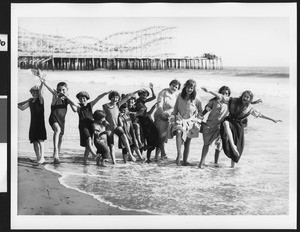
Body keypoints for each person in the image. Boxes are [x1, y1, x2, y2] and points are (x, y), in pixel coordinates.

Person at [201, 87, 281, 168]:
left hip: (238, 126)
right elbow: (221, 97)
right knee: (225, 123)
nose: (245, 98)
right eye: (244, 96)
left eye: (247, 97)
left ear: (250, 99)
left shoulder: (250, 108)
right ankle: (232, 145)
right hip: (230, 122)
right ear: (242, 96)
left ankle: (232, 167)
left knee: (237, 147)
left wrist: (272, 119)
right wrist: (209, 91)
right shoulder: (234, 100)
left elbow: (260, 115)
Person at [38, 72, 78, 164]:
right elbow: (49, 88)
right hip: (53, 118)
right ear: (57, 90)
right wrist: (43, 81)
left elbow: (75, 108)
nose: (61, 91)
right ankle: (55, 151)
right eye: (59, 90)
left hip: (62, 121)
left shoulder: (67, 99)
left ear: (67, 90)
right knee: (57, 130)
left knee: (60, 138)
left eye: (63, 90)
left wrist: (68, 97)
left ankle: (57, 157)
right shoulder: (55, 96)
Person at [102, 89, 141, 164]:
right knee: (111, 146)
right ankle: (114, 162)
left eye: (117, 97)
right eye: (113, 97)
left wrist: (136, 92)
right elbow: (103, 116)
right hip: (109, 128)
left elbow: (127, 97)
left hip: (116, 126)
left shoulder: (118, 105)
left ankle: (130, 154)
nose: (115, 99)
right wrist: (105, 122)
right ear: (110, 97)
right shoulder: (105, 106)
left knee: (124, 137)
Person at [171, 79, 203, 166]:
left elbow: (200, 112)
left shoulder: (197, 98)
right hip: (180, 120)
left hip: (191, 122)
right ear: (185, 87)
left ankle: (184, 161)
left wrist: (198, 121)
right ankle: (179, 154)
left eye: (191, 88)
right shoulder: (179, 96)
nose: (189, 89)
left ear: (194, 89)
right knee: (178, 132)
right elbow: (175, 110)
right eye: (188, 87)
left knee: (187, 142)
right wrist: (172, 118)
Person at [74, 90, 111, 165]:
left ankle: (84, 161)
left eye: (84, 98)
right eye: (80, 98)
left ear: (87, 98)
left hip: (91, 125)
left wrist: (105, 93)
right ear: (78, 99)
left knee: (89, 144)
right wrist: (66, 97)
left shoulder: (90, 105)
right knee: (88, 139)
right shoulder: (78, 107)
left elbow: (98, 98)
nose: (82, 100)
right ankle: (94, 154)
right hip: (83, 126)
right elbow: (71, 102)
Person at [198, 86, 231, 169]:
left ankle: (216, 163)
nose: (224, 95)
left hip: (220, 127)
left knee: (219, 145)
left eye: (226, 93)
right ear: (219, 93)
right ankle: (201, 163)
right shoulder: (213, 102)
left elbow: (240, 104)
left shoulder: (229, 104)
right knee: (206, 144)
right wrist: (199, 118)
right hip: (210, 126)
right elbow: (205, 111)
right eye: (222, 93)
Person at [18, 81, 47, 165]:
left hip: (40, 123)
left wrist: (42, 82)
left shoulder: (41, 100)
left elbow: (41, 91)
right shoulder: (30, 102)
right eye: (33, 92)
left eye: (36, 92)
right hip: (33, 124)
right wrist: (27, 100)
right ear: (31, 93)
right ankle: (38, 157)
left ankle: (42, 157)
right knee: (34, 141)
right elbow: (21, 107)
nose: (35, 94)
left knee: (40, 140)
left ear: (39, 93)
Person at [153, 79, 181, 161]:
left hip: (169, 117)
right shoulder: (163, 92)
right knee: (161, 137)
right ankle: (163, 154)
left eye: (176, 87)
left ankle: (158, 157)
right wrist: (162, 115)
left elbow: (176, 108)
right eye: (173, 86)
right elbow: (159, 105)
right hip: (160, 115)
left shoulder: (175, 95)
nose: (174, 88)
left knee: (164, 137)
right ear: (170, 85)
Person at [135, 83, 160, 163]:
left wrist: (152, 89)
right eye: (143, 95)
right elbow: (144, 114)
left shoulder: (142, 101)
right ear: (139, 95)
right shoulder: (138, 102)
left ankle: (145, 158)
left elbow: (154, 97)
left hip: (147, 121)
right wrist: (152, 109)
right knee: (148, 139)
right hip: (144, 123)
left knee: (151, 138)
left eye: (146, 96)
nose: (145, 97)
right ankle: (145, 158)